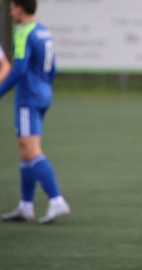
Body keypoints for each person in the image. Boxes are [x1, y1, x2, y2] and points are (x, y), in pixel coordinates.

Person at [0, 0, 70, 224]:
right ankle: (26, 206)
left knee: (32, 151)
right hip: (43, 93)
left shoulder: (23, 31)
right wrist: (43, 86)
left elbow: (18, 68)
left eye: (11, 8)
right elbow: (53, 68)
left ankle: (56, 200)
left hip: (28, 98)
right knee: (24, 150)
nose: (10, 13)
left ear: (20, 8)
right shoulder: (44, 30)